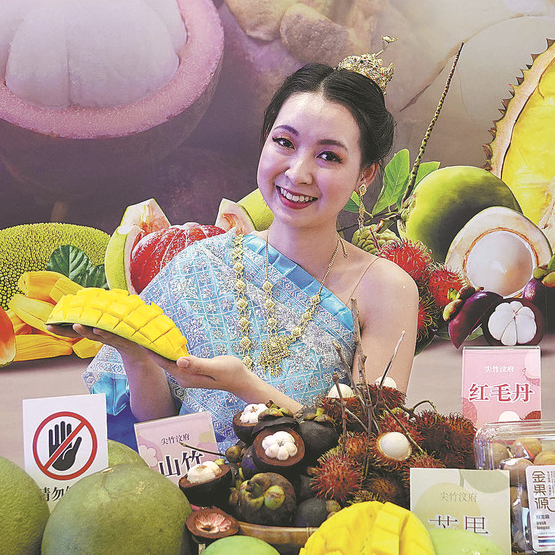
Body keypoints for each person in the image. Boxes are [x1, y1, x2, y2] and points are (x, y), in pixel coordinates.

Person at [80, 58, 420, 449]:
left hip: (311, 505)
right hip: (187, 496)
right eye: (285, 143)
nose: (297, 172)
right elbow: (158, 425)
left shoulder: (386, 290)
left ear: (365, 175)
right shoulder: (198, 264)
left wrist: (244, 386)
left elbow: (365, 447)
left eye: (329, 156)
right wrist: (136, 356)